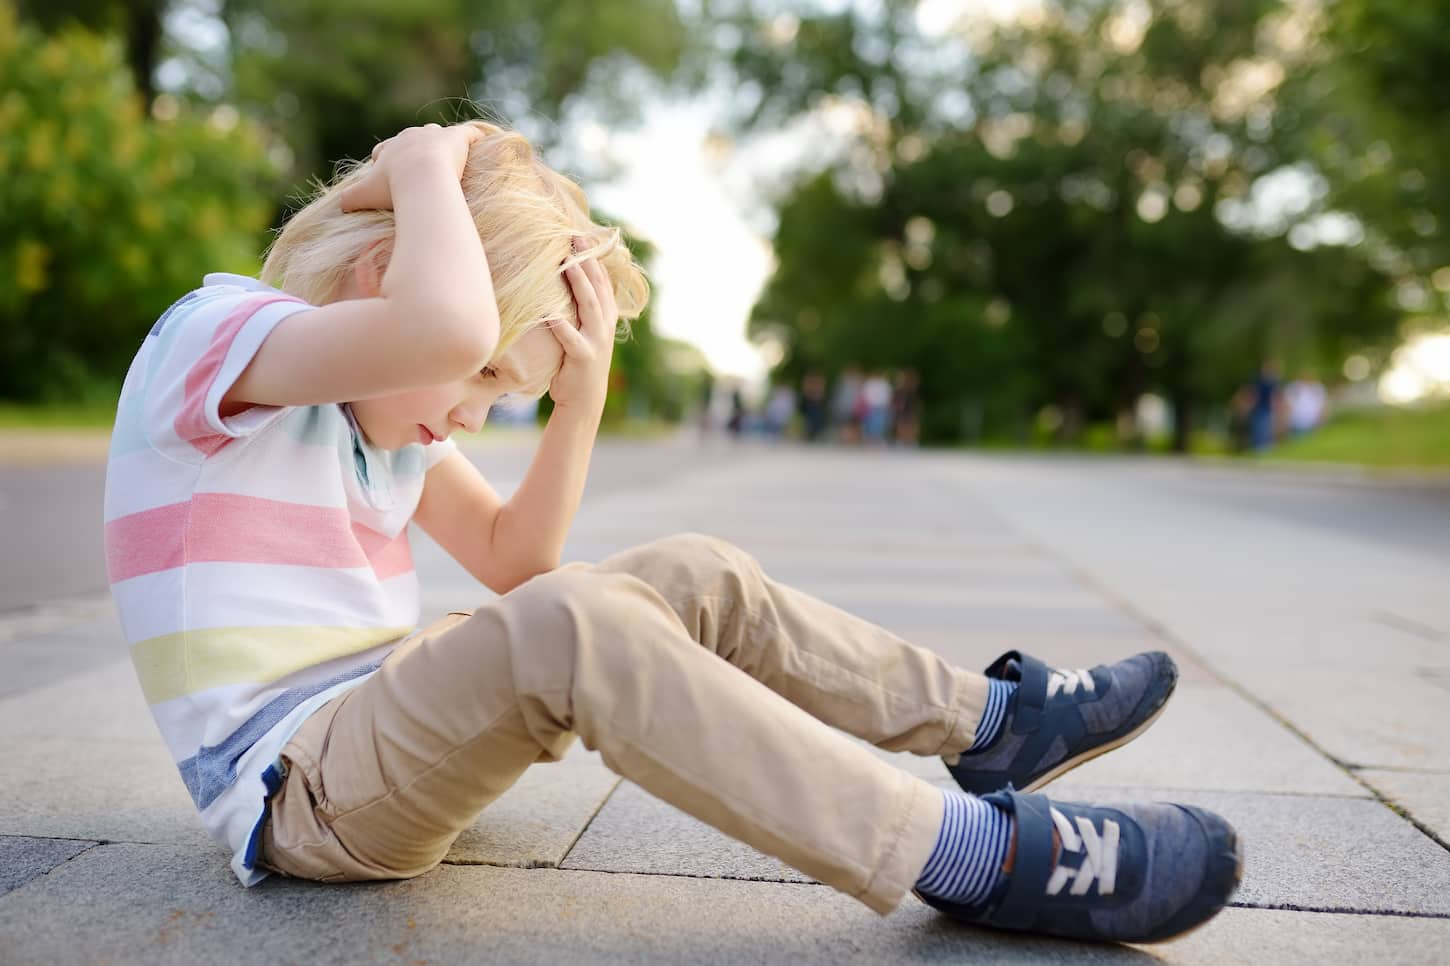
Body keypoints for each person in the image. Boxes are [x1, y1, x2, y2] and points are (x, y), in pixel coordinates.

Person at [102, 120, 1240, 945]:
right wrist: (418, 160)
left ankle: (990, 722)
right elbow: (443, 334)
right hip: (302, 790)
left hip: (381, 730)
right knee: (573, 624)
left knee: (689, 573)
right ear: (383, 274)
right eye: (487, 379)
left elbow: (515, 560)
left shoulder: (377, 425)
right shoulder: (219, 339)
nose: (467, 413)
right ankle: (971, 858)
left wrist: (580, 400)